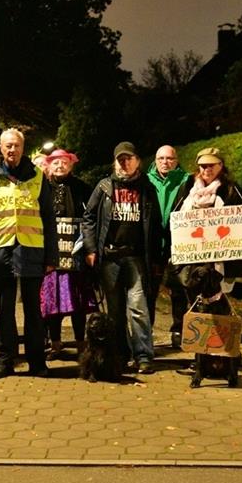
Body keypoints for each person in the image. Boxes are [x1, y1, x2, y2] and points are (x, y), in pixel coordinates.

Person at [0, 128, 58, 379]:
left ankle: (37, 361)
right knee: (4, 309)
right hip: (0, 251)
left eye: (16, 146)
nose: (12, 150)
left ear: (23, 148)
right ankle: (4, 360)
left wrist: (51, 257)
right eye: (8, 145)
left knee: (33, 310)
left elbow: (48, 219)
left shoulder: (38, 177)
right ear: (0, 148)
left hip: (32, 250)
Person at [82, 142, 163, 375]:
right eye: (120, 159)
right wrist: (90, 249)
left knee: (138, 308)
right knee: (115, 312)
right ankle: (120, 354)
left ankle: (144, 356)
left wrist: (156, 259)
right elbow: (88, 218)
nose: (124, 163)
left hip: (136, 258)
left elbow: (155, 226)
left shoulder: (147, 189)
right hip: (110, 258)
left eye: (129, 159)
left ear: (138, 160)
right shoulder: (105, 187)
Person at [39, 149, 97, 361]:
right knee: (52, 303)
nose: (60, 166)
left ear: (71, 165)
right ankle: (55, 343)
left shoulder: (82, 188)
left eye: (64, 162)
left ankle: (81, 343)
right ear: (49, 166)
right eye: (55, 163)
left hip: (76, 256)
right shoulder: (41, 188)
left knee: (77, 302)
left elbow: (91, 217)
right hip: (51, 257)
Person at [173, 147, 242, 297]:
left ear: (221, 165)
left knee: (218, 303)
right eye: (203, 166)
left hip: (222, 261)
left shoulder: (231, 189)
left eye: (211, 165)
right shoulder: (187, 187)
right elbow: (175, 216)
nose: (207, 169)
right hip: (191, 259)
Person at [146, 144, 190, 347]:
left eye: (169, 159)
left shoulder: (187, 181)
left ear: (176, 160)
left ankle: (178, 331)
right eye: (161, 158)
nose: (165, 162)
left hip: (178, 244)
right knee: (149, 290)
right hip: (153, 245)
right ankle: (147, 332)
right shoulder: (146, 181)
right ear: (155, 160)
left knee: (178, 290)